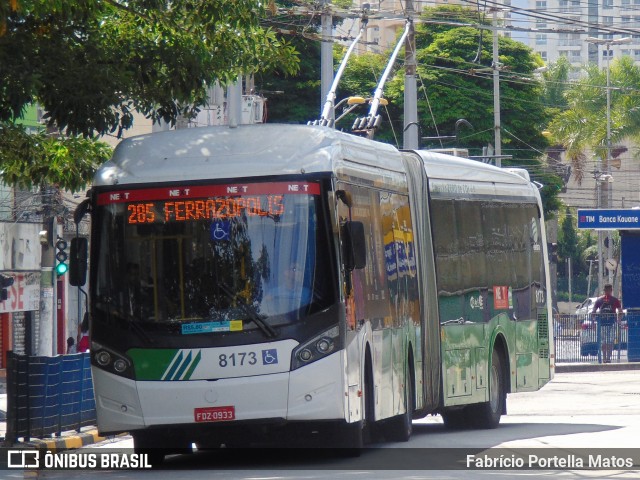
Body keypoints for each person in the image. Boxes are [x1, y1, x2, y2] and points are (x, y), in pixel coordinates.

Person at [591, 283, 622, 363]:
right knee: (608, 341)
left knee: (605, 341)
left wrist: (593, 321)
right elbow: (620, 311)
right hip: (610, 323)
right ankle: (607, 358)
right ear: (611, 290)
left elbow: (593, 311)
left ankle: (606, 358)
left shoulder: (599, 300)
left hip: (604, 324)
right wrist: (618, 320)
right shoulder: (615, 300)